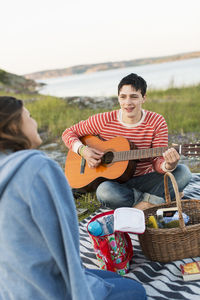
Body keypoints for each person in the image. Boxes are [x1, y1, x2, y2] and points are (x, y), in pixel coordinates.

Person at [0, 96, 147, 300]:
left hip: (10, 287)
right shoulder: (37, 167)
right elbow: (65, 247)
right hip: (43, 288)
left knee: (113, 278)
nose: (35, 122)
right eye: (29, 116)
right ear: (15, 128)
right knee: (136, 290)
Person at [62, 73, 192, 210]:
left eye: (134, 97)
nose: (127, 103)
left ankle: (143, 205)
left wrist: (169, 165)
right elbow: (68, 133)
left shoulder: (157, 122)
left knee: (184, 173)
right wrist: (83, 150)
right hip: (116, 185)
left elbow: (157, 162)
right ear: (118, 98)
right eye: (123, 97)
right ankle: (156, 200)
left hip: (146, 179)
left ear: (143, 98)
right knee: (104, 192)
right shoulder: (103, 120)